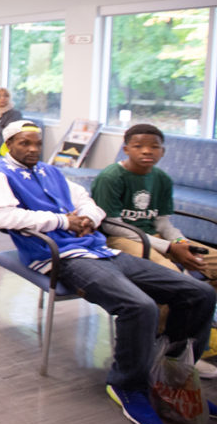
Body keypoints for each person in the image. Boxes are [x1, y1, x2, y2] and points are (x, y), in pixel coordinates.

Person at [0, 120, 216, 424]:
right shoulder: (0, 174)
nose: (33, 149)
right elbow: (0, 215)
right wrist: (63, 222)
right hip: (60, 257)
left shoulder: (51, 171)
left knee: (198, 293)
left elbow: (88, 202)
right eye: (24, 143)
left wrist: (88, 219)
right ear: (9, 143)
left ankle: (171, 375)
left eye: (37, 143)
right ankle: (128, 385)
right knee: (140, 306)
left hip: (101, 250)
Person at [93, 123, 217, 377]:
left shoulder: (161, 179)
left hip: (156, 237)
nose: (146, 151)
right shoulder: (111, 177)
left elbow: (163, 224)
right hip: (118, 239)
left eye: (154, 147)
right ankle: (160, 344)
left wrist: (182, 244)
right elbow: (112, 226)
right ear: (126, 149)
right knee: (171, 275)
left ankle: (191, 342)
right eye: (138, 146)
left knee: (212, 263)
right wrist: (169, 248)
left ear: (163, 152)